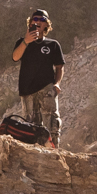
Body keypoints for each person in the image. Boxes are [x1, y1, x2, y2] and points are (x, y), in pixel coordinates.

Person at [11, 8, 66, 147]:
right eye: (34, 19)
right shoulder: (22, 42)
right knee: (31, 126)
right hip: (27, 90)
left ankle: (54, 151)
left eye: (42, 19)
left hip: (47, 88)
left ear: (46, 24)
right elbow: (15, 57)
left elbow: (59, 67)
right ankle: (36, 153)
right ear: (30, 23)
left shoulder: (53, 45)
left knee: (52, 122)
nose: (37, 22)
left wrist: (57, 84)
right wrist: (26, 41)